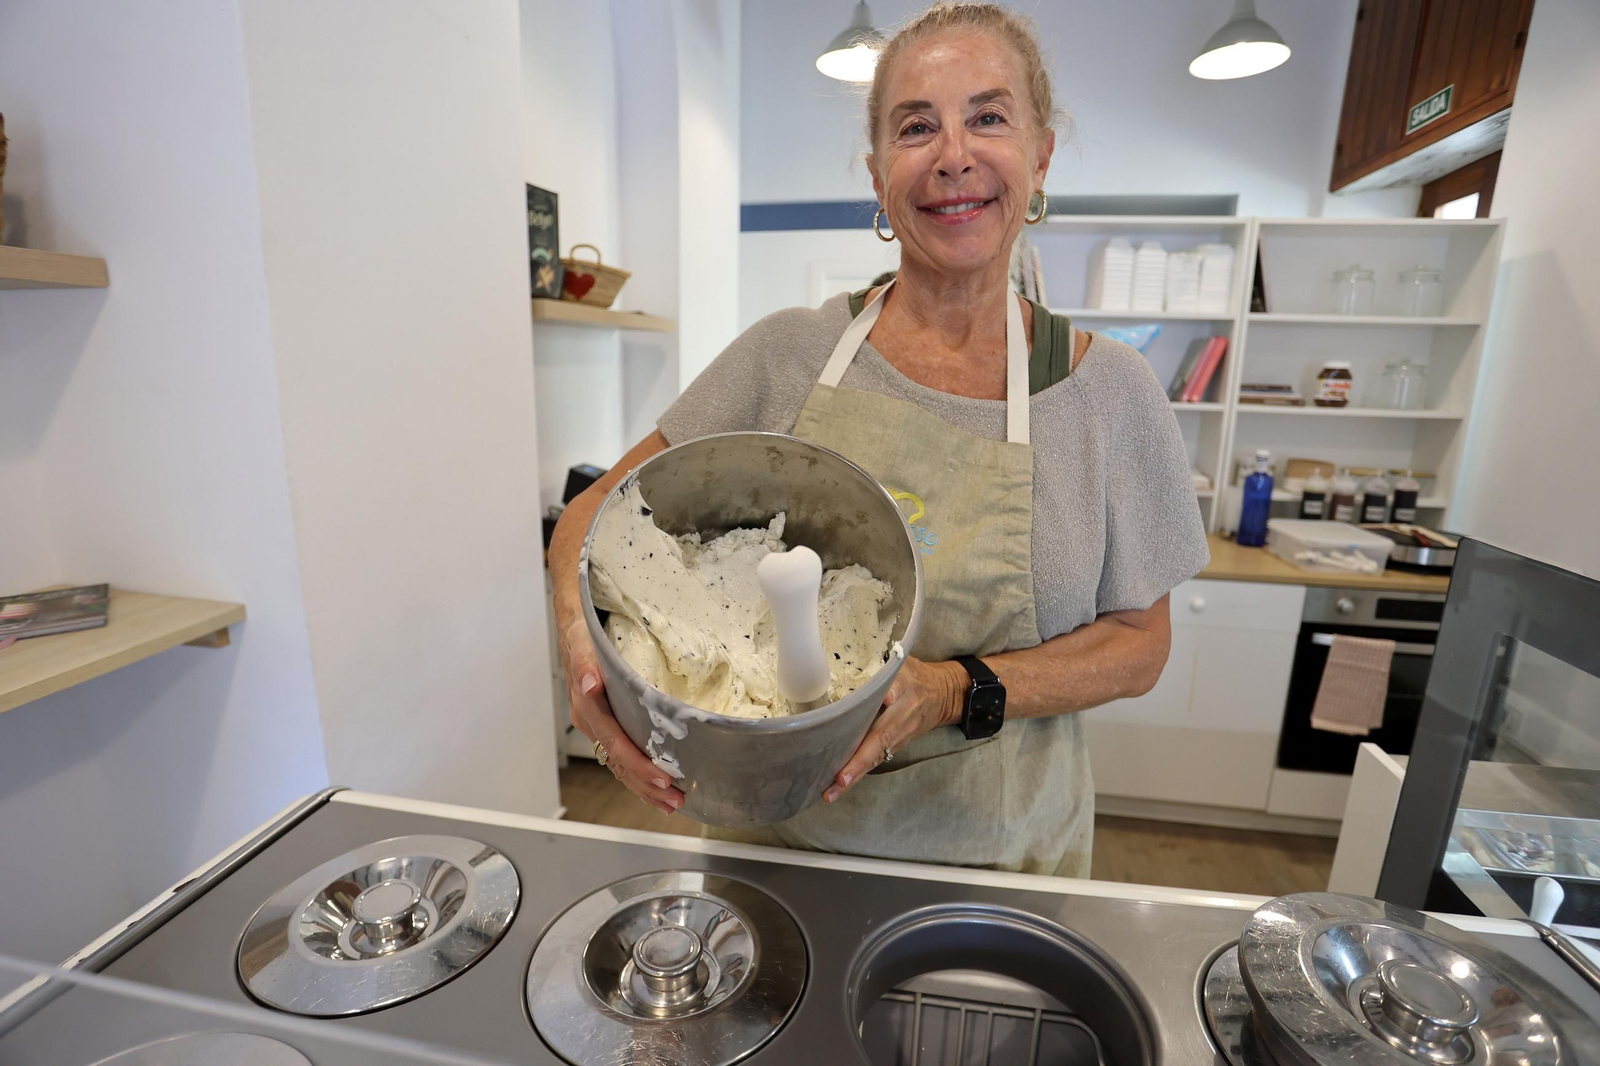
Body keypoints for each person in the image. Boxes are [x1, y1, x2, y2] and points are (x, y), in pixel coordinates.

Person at [549, 2, 1208, 877]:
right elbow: (588, 520)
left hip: (999, 866)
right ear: (877, 175)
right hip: (778, 857)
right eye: (915, 127)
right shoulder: (787, 354)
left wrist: (945, 690)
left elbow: (1141, 645)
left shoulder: (1111, 394)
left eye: (988, 117)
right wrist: (589, 677)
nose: (953, 156)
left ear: (1040, 154)